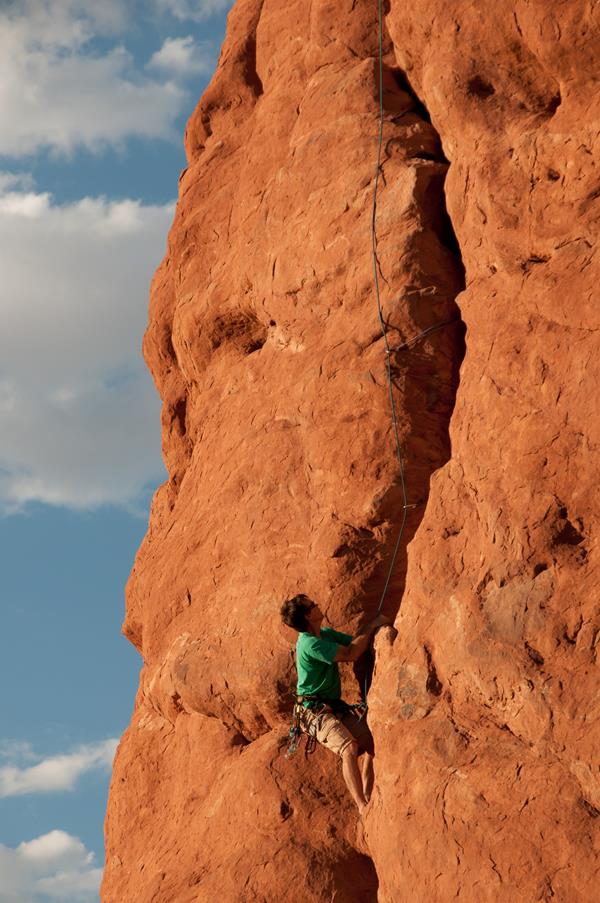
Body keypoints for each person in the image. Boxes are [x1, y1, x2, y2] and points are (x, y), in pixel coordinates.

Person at [280, 593, 391, 813]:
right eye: (313, 605)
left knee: (372, 742)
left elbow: (355, 644)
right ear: (308, 615)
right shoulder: (311, 644)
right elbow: (351, 654)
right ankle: (362, 806)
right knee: (348, 747)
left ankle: (370, 794)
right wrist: (375, 624)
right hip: (312, 711)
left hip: (330, 705)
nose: (318, 604)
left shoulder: (324, 635)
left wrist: (372, 633)